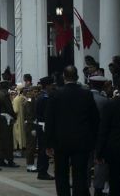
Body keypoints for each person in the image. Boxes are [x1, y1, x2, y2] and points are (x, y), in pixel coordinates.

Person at [45, 65, 100, 196]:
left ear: (64, 77)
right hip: (81, 141)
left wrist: (48, 143)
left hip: (61, 141)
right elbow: (95, 119)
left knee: (61, 174)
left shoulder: (55, 94)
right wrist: (93, 140)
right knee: (80, 174)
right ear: (77, 77)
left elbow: (50, 121)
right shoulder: (86, 94)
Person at [96, 75, 120, 196]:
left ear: (118, 88)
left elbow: (104, 130)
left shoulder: (111, 105)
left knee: (115, 180)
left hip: (115, 147)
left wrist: (99, 151)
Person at [35, 76, 54, 181]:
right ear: (47, 85)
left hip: (40, 125)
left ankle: (40, 169)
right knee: (44, 149)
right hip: (44, 126)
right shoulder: (45, 97)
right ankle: (43, 171)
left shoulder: (41, 96)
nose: (52, 87)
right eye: (51, 85)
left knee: (42, 149)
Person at [0, 81, 18, 168]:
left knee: (1, 140)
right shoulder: (5, 94)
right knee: (8, 140)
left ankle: (1, 159)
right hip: (6, 119)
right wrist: (14, 116)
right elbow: (9, 107)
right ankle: (10, 160)